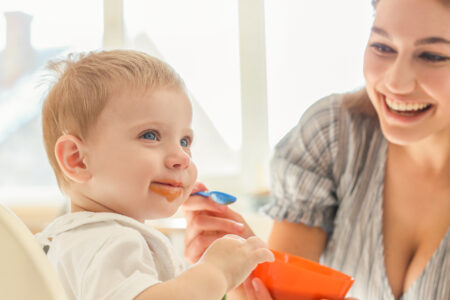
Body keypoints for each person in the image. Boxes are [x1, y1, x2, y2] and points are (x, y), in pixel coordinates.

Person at [182, 0, 450, 299]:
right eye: (383, 47)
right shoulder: (333, 134)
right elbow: (282, 295)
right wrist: (243, 269)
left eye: (433, 55)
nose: (396, 82)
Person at [35, 50, 274, 300]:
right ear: (78, 160)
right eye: (150, 135)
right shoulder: (111, 241)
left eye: (184, 140)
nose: (182, 157)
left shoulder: (68, 242)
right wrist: (216, 272)